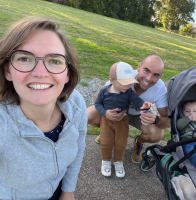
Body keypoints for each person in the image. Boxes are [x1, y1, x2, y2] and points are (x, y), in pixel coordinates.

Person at [0, 17, 87, 200]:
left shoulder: (76, 104)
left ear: (67, 75)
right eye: (25, 58)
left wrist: (68, 190)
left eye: (55, 61)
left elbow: (78, 148)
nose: (40, 73)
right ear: (8, 70)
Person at [87, 54, 170, 163]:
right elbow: (97, 98)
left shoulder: (160, 89)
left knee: (156, 134)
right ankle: (108, 132)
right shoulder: (125, 74)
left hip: (139, 115)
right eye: (146, 70)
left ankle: (138, 142)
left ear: (160, 76)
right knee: (88, 114)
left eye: (156, 75)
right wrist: (107, 110)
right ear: (139, 67)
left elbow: (167, 121)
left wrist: (156, 119)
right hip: (117, 112)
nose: (149, 78)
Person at [95, 61, 153, 177]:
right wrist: (105, 113)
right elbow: (97, 104)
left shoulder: (128, 92)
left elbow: (137, 101)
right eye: (124, 83)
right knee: (106, 143)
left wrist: (143, 105)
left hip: (122, 122)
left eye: (129, 83)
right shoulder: (104, 91)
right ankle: (106, 161)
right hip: (106, 122)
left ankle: (118, 161)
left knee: (121, 143)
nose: (127, 86)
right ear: (111, 80)